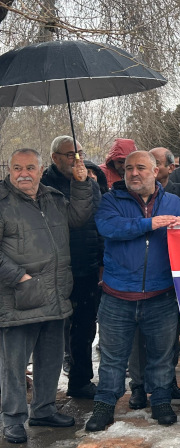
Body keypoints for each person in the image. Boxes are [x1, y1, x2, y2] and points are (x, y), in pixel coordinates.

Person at [86, 151, 180, 431]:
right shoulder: (111, 200)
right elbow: (108, 227)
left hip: (161, 295)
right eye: (129, 168)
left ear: (155, 172)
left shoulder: (176, 203)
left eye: (141, 168)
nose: (134, 173)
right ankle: (104, 405)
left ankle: (161, 401)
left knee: (162, 357)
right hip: (117, 295)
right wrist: (149, 223)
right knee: (112, 359)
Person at [0, 148, 92, 444]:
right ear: (10, 170)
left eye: (30, 168)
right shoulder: (2, 202)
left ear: (41, 171)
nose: (23, 174)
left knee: (50, 359)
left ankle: (43, 410)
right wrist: (19, 277)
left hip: (55, 294)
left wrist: (80, 184)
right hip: (19, 297)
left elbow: (79, 217)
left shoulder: (53, 198)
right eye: (17, 168)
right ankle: (12, 418)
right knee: (14, 366)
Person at [40, 136, 104, 401]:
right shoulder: (43, 186)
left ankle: (81, 380)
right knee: (52, 331)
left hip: (86, 265)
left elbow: (98, 222)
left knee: (85, 328)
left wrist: (101, 261)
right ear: (55, 158)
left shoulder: (91, 184)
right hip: (55, 269)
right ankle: (45, 394)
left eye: (80, 153)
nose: (77, 159)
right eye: (70, 155)